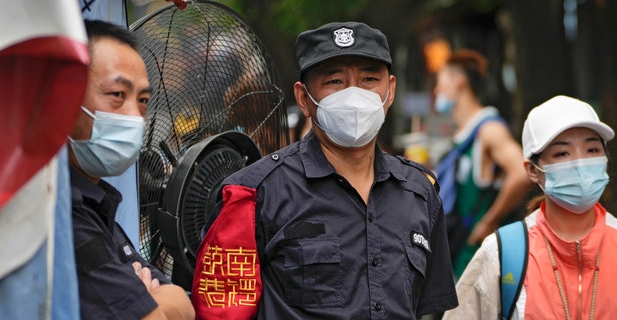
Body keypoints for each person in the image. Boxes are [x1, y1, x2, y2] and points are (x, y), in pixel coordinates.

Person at [191, 21, 458, 319]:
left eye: (369, 79)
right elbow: (219, 311)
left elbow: (424, 307)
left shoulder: (418, 192)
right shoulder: (251, 195)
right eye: (334, 82)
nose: (354, 95)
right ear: (304, 98)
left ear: (390, 91)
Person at [443, 95, 617, 319]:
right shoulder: (503, 253)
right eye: (562, 153)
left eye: (592, 150)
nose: (581, 163)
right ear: (533, 170)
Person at [68, 20, 194, 319]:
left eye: (143, 101)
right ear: (64, 95)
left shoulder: (98, 204)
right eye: (117, 95)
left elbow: (184, 307)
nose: (134, 117)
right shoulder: (62, 210)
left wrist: (167, 299)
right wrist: (163, 299)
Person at [433, 49, 531, 277]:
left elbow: (521, 172)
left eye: (440, 82)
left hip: (481, 260)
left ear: (459, 82)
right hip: (460, 257)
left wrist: (489, 221)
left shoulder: (489, 130)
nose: (436, 90)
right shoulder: (465, 136)